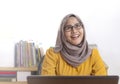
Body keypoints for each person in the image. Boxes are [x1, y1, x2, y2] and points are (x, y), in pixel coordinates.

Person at [41, 13, 107, 76]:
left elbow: (102, 81)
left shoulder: (93, 54)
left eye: (77, 26)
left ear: (83, 28)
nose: (74, 31)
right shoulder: (52, 54)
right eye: (68, 28)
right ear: (62, 33)